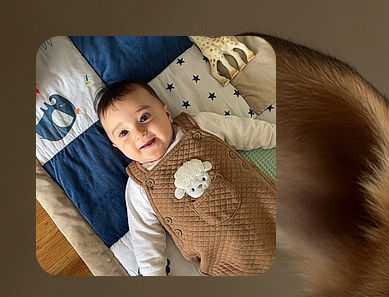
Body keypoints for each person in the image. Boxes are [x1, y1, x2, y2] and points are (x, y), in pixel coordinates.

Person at [97, 80, 275, 275]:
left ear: (166, 113)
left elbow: (249, 131)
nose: (139, 133)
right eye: (124, 133)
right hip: (225, 265)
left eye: (144, 117)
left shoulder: (200, 126)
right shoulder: (139, 187)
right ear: (117, 147)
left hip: (268, 217)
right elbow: (146, 243)